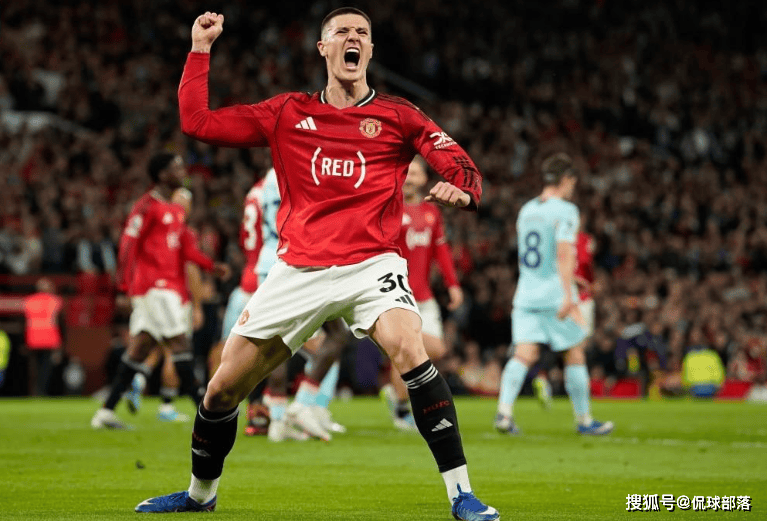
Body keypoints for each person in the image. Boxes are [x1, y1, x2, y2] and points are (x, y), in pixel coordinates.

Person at [135, 10, 499, 520]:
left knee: (409, 348)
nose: (354, 38)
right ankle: (199, 495)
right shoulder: (287, 112)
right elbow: (198, 122)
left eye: (362, 33)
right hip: (298, 270)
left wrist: (464, 189)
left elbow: (455, 158)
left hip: (373, 264)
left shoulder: (399, 115)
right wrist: (200, 50)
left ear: (369, 51)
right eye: (342, 32)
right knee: (221, 390)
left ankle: (462, 494)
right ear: (323, 48)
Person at [91, 153, 229, 430]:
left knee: (140, 349)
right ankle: (206, 412)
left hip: (167, 289)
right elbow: (128, 245)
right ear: (162, 174)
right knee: (180, 345)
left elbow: (186, 250)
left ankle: (105, 412)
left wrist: (212, 267)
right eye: (176, 168)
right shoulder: (146, 206)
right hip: (153, 287)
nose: (182, 171)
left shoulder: (175, 212)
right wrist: (122, 286)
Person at [495, 153, 613, 436]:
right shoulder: (566, 210)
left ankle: (504, 414)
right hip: (554, 295)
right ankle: (584, 420)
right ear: (567, 179)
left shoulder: (527, 210)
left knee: (523, 354)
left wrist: (570, 278)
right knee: (574, 352)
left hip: (526, 293)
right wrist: (568, 294)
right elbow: (563, 253)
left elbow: (539, 256)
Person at [380, 156, 463, 431]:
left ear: (424, 179)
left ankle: (395, 394)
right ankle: (401, 409)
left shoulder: (432, 212)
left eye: (415, 173)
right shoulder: (390, 209)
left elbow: (441, 250)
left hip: (425, 296)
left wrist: (453, 284)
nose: (410, 178)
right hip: (398, 294)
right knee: (407, 346)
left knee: (436, 348)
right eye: (406, 173)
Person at [125, 188, 206, 424]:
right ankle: (167, 406)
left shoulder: (157, 228)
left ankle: (138, 379)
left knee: (156, 346)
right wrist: (198, 305)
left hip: (151, 293)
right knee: (175, 351)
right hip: (176, 298)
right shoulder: (184, 232)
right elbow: (191, 269)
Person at [530, 216, 596, 409]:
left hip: (576, 297)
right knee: (576, 346)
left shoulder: (580, 240)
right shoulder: (579, 241)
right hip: (573, 298)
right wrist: (577, 280)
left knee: (569, 344)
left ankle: (546, 376)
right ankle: (569, 388)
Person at [23, 277, 64, 396]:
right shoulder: (55, 300)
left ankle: (34, 391)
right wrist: (59, 344)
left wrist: (24, 341)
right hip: (49, 339)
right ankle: (41, 392)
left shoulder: (29, 300)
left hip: (32, 338)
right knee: (46, 368)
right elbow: (58, 322)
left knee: (33, 368)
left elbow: (25, 322)